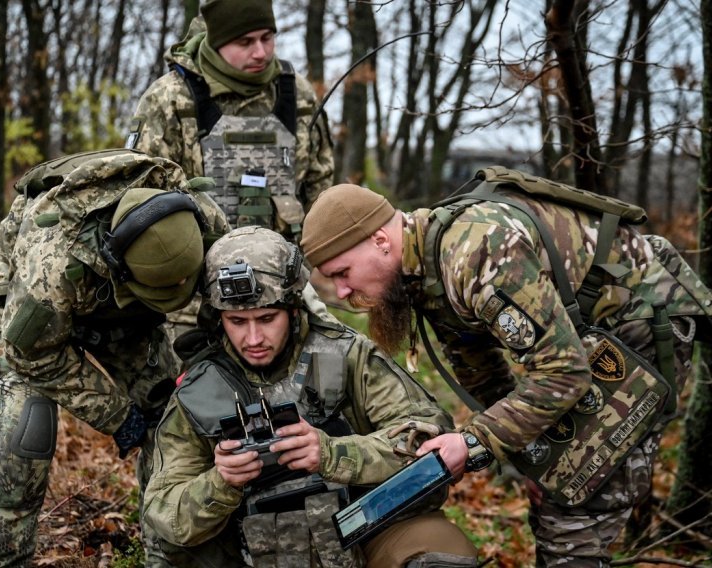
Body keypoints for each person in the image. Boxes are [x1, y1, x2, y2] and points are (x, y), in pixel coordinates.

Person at [299, 173, 712, 567]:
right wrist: (526, 454)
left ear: (380, 240)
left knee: (573, 514)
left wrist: (475, 442)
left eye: (343, 273)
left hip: (639, 320)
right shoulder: (422, 272)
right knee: (553, 486)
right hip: (585, 343)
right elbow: (481, 372)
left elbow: (563, 372)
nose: (342, 292)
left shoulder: (475, 253)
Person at [142, 226, 478, 568]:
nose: (254, 337)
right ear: (219, 319)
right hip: (251, 555)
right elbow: (164, 513)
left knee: (441, 558)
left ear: (294, 308)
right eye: (237, 321)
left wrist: (333, 453)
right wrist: (222, 482)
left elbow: (430, 437)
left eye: (267, 318)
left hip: (367, 535)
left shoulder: (346, 356)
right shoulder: (198, 390)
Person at [0, 149, 228, 567]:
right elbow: (33, 355)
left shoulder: (203, 220)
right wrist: (119, 417)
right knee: (26, 435)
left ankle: (172, 550)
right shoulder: (49, 266)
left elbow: (238, 300)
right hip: (40, 326)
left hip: (128, 314)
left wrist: (204, 365)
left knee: (174, 419)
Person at [126, 0, 333, 240]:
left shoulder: (297, 93)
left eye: (266, 38)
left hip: (289, 263)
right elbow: (142, 198)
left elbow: (321, 187)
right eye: (245, 42)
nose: (260, 53)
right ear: (217, 43)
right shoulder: (169, 98)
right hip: (197, 265)